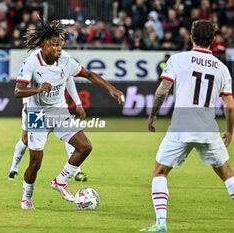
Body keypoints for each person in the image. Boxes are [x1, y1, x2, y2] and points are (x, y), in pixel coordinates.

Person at [14, 20, 124, 209]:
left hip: (58, 110)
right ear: (43, 46)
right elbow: (18, 91)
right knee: (35, 163)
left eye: (60, 45)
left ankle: (60, 181)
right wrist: (38, 89)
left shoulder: (65, 59)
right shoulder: (31, 62)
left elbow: (88, 75)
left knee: (85, 147)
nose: (58, 48)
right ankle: (26, 197)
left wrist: (111, 89)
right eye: (54, 45)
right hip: (38, 114)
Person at [141, 20, 234, 232]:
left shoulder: (178, 60)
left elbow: (162, 91)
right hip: (208, 128)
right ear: (213, 39)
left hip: (180, 127)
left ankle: (161, 223)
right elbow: (230, 106)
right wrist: (229, 131)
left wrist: (152, 116)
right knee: (228, 174)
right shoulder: (222, 68)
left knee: (160, 171)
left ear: (191, 37)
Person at [9, 76, 88, 182]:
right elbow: (24, 84)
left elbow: (68, 79)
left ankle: (76, 171)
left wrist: (78, 103)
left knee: (70, 135)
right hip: (36, 110)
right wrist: (26, 103)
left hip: (55, 108)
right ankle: (13, 168)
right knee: (26, 140)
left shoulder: (62, 63)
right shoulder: (33, 63)